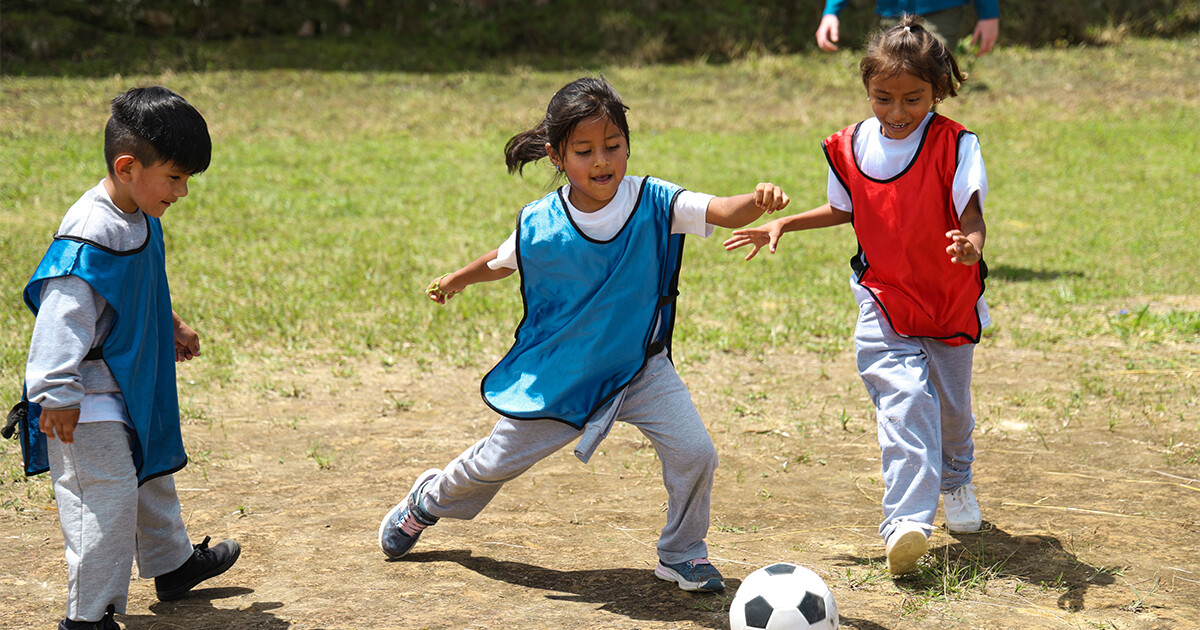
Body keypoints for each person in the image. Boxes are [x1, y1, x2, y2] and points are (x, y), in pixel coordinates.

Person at [377, 76, 790, 593]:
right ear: (557, 156)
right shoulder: (542, 224)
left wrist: (758, 199)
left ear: (627, 146)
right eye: (585, 150)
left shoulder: (656, 201)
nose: (602, 162)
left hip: (641, 367)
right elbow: (502, 261)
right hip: (564, 378)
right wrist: (457, 279)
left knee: (695, 452)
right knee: (493, 463)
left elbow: (723, 210)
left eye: (613, 147)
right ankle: (427, 500)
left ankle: (682, 553)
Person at [725, 15, 988, 576]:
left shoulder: (956, 144)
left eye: (912, 99)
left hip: (947, 299)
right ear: (867, 91)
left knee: (951, 413)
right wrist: (784, 224)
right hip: (883, 297)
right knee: (904, 403)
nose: (896, 113)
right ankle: (906, 522)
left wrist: (970, 246)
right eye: (883, 98)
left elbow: (972, 214)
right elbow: (846, 209)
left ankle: (958, 479)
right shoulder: (848, 147)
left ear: (937, 91)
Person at [17, 86, 240, 630]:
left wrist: (173, 324)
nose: (183, 191)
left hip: (127, 388)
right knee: (107, 504)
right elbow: (58, 327)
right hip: (83, 401)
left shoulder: (139, 208)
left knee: (151, 472)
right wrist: (57, 395)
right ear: (127, 166)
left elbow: (137, 286)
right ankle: (89, 617)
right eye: (176, 177)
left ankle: (171, 564)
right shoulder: (89, 238)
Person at [816, 0, 1000, 56]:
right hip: (890, 12)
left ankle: (922, 145)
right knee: (885, 80)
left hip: (940, 10)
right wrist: (832, 11)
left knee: (923, 75)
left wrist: (988, 13)